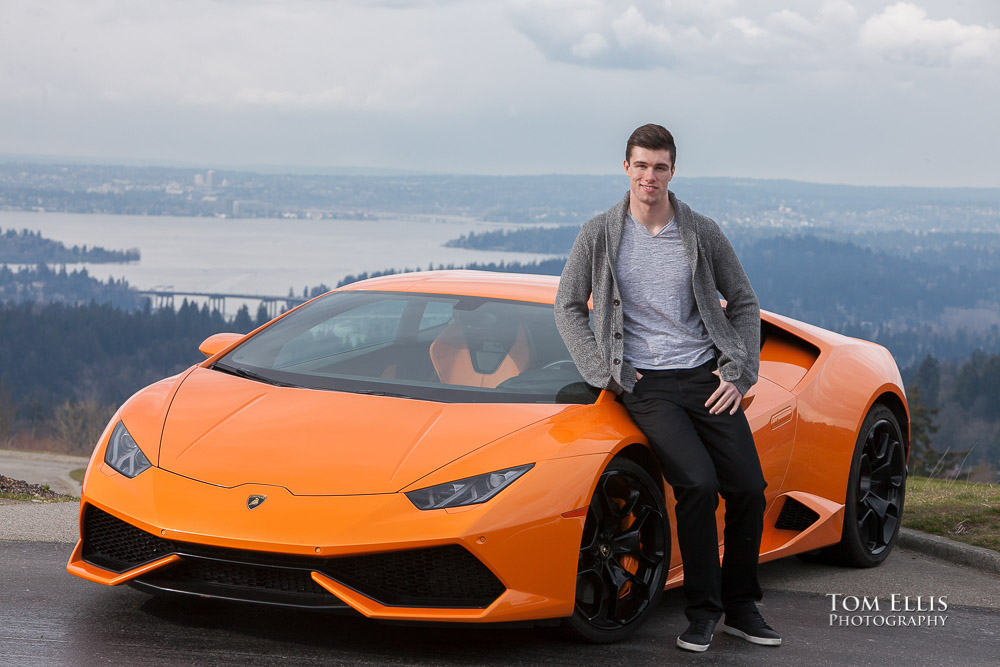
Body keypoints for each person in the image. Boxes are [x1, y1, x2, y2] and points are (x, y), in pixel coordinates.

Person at [554, 124, 780, 652]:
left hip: (706, 378)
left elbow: (743, 301)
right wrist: (604, 371)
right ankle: (703, 613)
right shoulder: (599, 233)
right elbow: (568, 306)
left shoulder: (700, 231)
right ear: (626, 168)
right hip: (646, 385)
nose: (649, 176)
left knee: (748, 486)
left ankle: (743, 607)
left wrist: (737, 371)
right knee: (697, 485)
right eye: (640, 165)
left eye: (659, 166)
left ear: (672, 171)